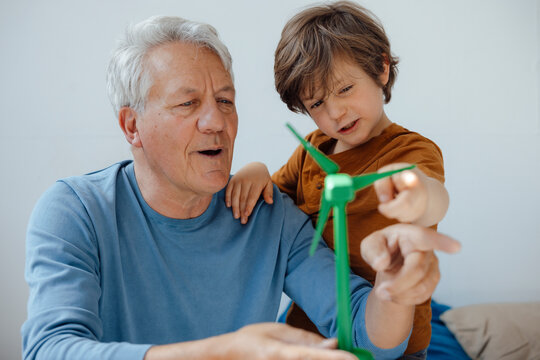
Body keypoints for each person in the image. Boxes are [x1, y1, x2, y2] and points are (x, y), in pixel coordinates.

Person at [21, 15, 460, 360]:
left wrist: (392, 288)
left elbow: (375, 339)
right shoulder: (74, 210)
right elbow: (49, 350)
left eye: (226, 101)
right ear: (132, 126)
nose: (217, 123)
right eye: (188, 103)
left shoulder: (270, 216)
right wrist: (220, 353)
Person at [225, 2, 449, 358]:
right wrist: (257, 169)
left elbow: (433, 195)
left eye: (345, 89)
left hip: (393, 338)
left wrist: (419, 195)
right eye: (316, 104)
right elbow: (274, 199)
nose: (335, 112)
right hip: (313, 331)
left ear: (381, 68)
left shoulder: (410, 151)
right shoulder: (312, 151)